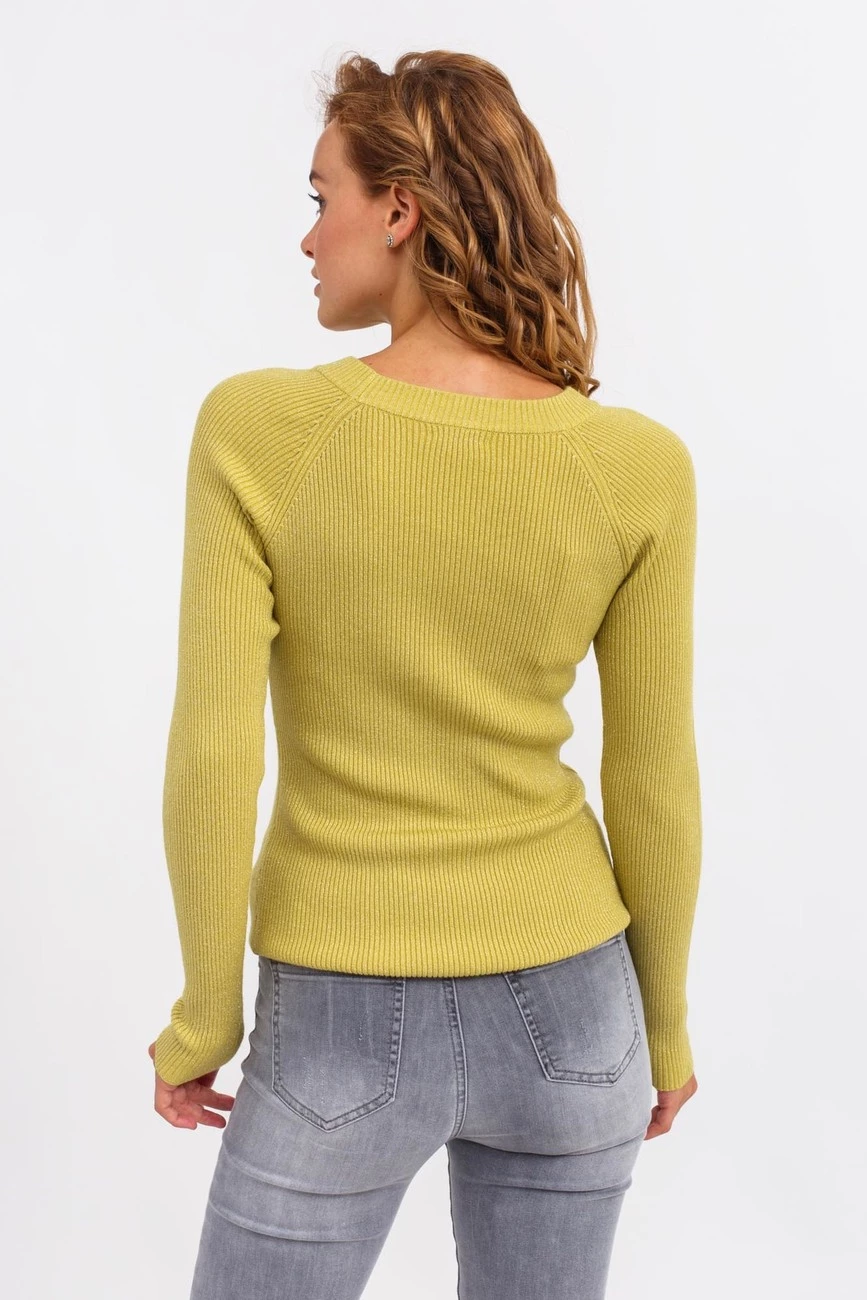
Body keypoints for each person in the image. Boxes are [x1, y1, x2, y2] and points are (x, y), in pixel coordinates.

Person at [149, 48, 702, 1300]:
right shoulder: (636, 466)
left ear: (397, 210)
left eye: (322, 197)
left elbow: (215, 752)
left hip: (339, 1019)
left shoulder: (260, 432)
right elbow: (654, 774)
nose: (309, 237)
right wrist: (664, 1025)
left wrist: (203, 1015)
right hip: (579, 1015)